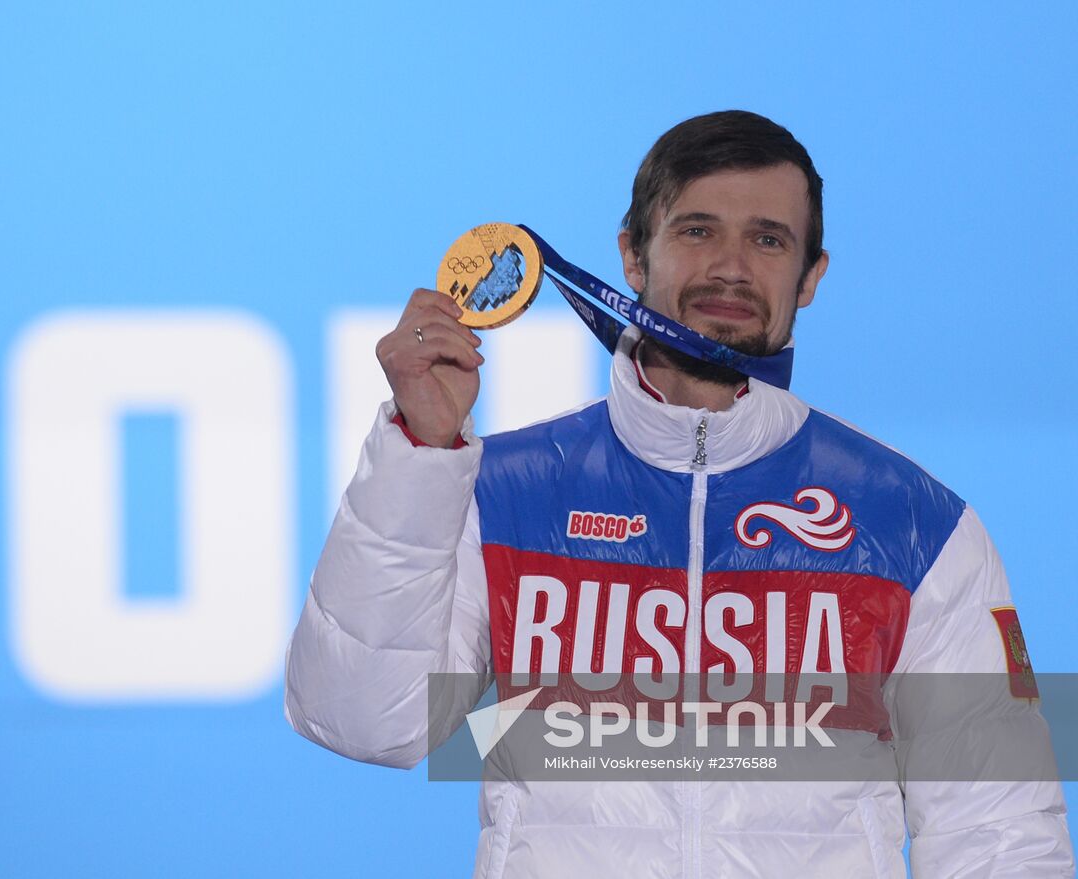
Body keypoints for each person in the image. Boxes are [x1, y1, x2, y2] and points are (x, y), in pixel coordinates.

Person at [284, 110, 1074, 877]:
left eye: (768, 239)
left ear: (811, 277)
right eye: (697, 230)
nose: (731, 265)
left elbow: (998, 833)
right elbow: (365, 718)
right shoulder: (497, 492)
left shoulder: (911, 523)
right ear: (632, 255)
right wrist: (420, 452)